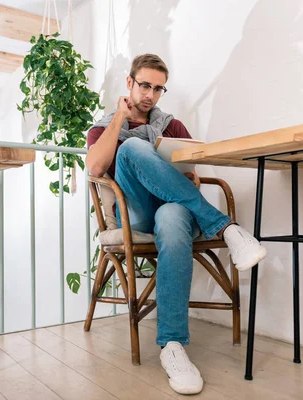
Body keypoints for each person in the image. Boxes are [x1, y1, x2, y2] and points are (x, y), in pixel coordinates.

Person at [85, 54, 267, 395]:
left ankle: (172, 347)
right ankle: (227, 228)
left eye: (157, 88)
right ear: (130, 83)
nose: (150, 94)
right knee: (131, 149)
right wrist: (120, 120)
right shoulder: (103, 126)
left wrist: (184, 181)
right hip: (137, 213)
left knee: (170, 216)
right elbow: (95, 169)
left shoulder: (173, 127)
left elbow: (192, 178)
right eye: (144, 85)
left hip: (177, 212)